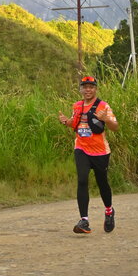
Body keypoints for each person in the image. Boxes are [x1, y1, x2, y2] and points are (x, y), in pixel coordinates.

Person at [58, 76, 118, 234]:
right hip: (81, 148)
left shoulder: (103, 106)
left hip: (100, 151)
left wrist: (106, 119)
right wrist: (65, 121)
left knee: (102, 182)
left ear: (95, 89)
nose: (88, 90)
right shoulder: (77, 106)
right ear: (81, 90)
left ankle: (109, 211)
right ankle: (84, 220)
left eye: (91, 87)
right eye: (85, 87)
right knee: (82, 179)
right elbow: (74, 123)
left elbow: (115, 127)